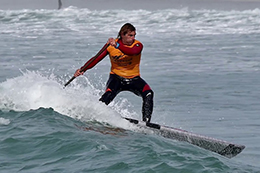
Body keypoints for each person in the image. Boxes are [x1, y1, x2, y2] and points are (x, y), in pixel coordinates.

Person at [74, 23, 154, 123]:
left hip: (134, 79)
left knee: (148, 94)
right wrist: (82, 69)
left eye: (134, 35)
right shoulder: (110, 46)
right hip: (116, 78)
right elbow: (96, 59)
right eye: (130, 35)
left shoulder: (137, 45)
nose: (133, 38)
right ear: (122, 34)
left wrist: (117, 45)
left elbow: (132, 52)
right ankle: (92, 115)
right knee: (108, 95)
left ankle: (146, 123)